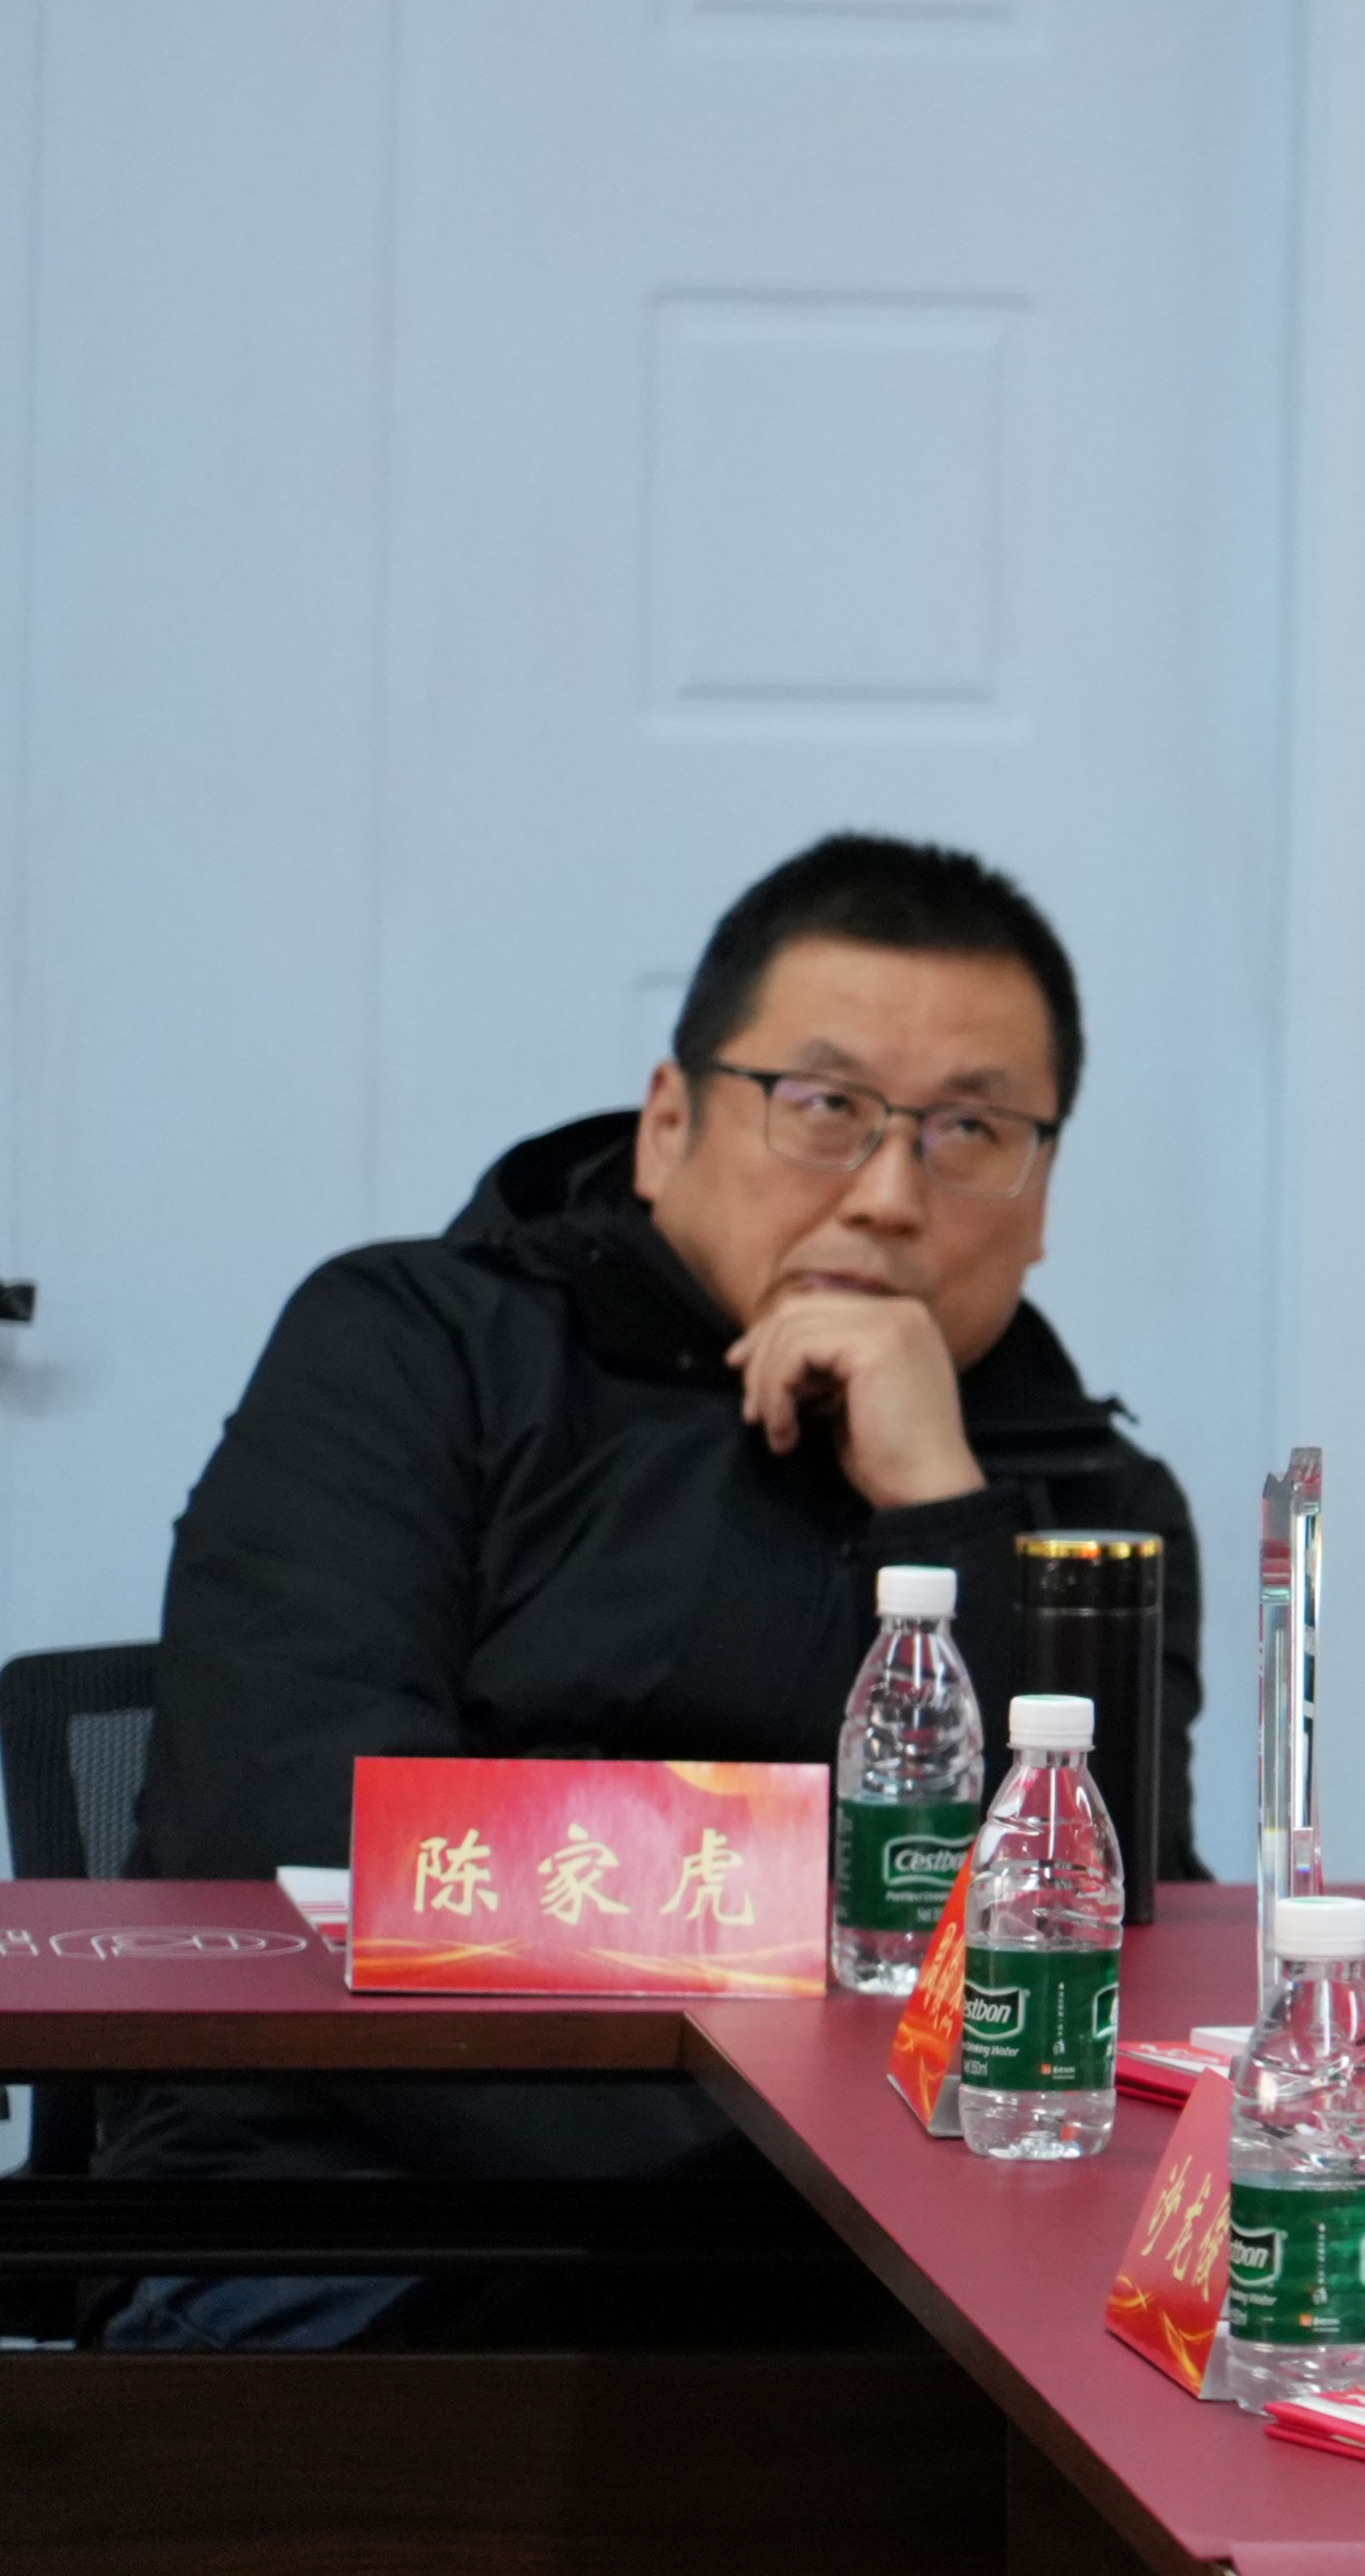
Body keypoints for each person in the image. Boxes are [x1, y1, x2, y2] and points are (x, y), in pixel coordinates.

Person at [102, 830, 1200, 2346]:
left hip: (900, 2250)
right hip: (370, 2204)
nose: (890, 1194)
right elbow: (300, 1830)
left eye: (969, 1130)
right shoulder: (416, 1351)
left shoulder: (1092, 1508)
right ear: (669, 1122)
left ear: (1044, 1188)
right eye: (825, 1107)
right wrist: (789, 2125)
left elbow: (1108, 1940)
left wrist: (942, 1508)